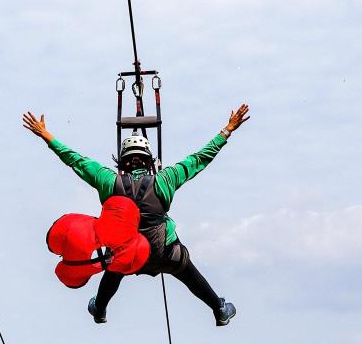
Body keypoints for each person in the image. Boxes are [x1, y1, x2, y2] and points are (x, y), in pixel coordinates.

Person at [22, 102, 250, 325]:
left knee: (114, 263)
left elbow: (76, 161)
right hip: (165, 254)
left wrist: (46, 135)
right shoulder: (165, 179)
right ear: (150, 161)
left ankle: (100, 309)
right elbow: (200, 159)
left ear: (122, 162)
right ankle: (219, 309)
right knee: (186, 270)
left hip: (127, 257)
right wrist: (227, 129)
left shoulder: (108, 181)